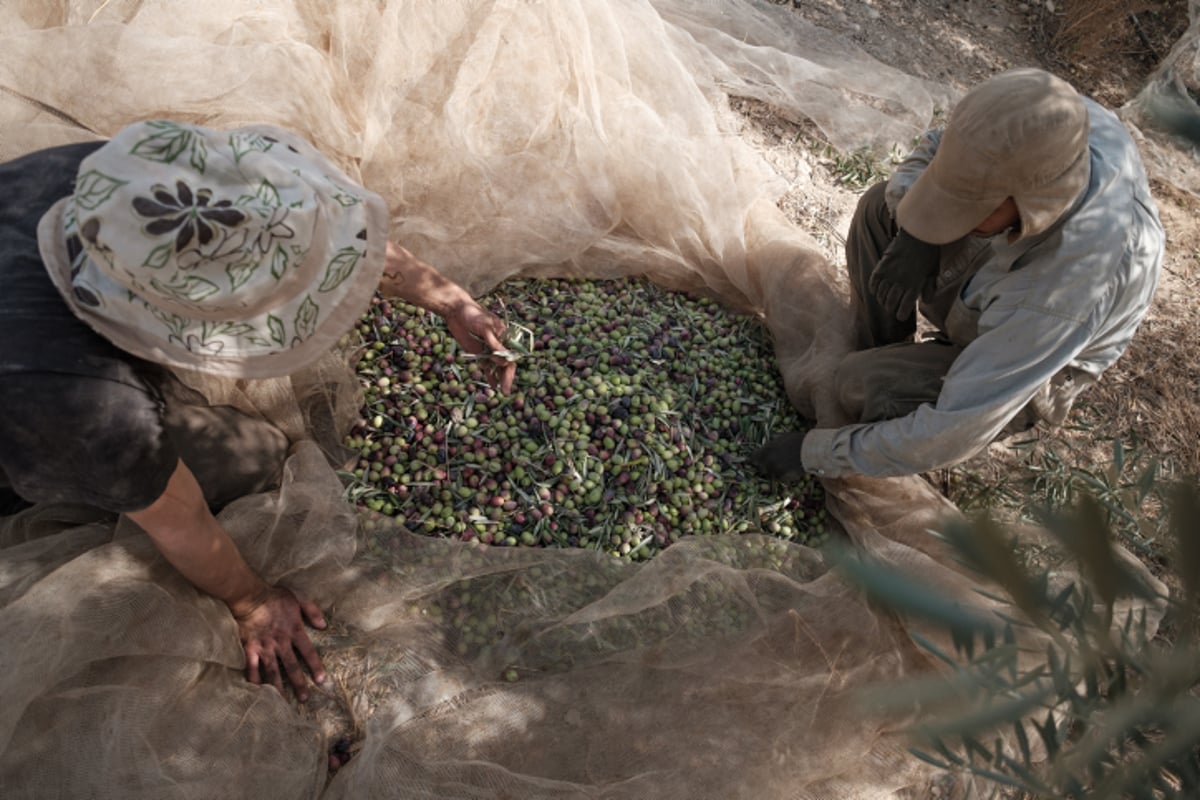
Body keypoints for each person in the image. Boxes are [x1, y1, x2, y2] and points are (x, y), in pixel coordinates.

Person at [0, 120, 516, 700]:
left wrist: (450, 302)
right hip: (27, 405)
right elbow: (180, 520)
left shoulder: (122, 182)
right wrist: (253, 601)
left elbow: (317, 233)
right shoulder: (90, 403)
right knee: (254, 461)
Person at [753, 68, 1164, 480]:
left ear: (1031, 202)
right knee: (880, 209)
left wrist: (818, 454)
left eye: (973, 206)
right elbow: (940, 147)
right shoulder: (1041, 119)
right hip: (993, 286)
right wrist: (917, 234)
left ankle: (882, 392)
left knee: (854, 384)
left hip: (1023, 364)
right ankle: (883, 354)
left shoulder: (1063, 290)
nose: (953, 217)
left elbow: (955, 430)